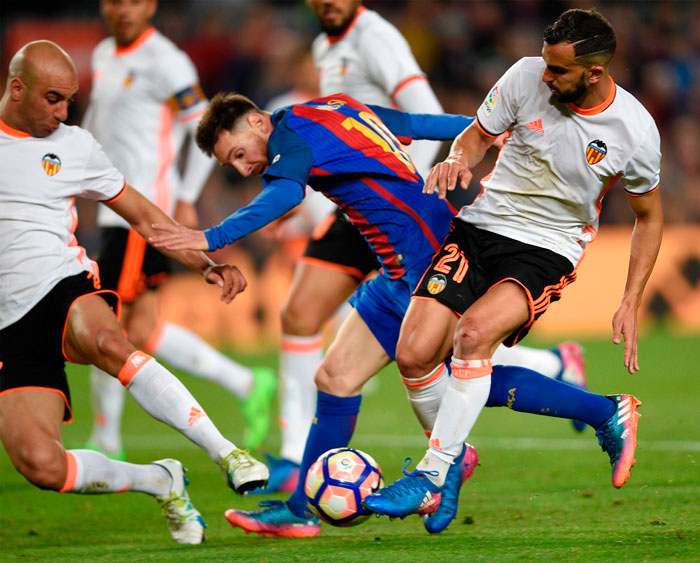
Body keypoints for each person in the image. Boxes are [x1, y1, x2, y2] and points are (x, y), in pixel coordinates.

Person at [150, 91, 637, 538]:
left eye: (237, 154)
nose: (241, 168)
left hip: (426, 255)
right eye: (231, 164)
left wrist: (209, 238)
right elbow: (412, 122)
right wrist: (483, 128)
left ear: (257, 122)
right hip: (396, 265)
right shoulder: (330, 108)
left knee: (458, 375)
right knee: (336, 376)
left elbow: (286, 195)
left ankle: (600, 413)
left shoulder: (289, 137)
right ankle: (302, 510)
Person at [267, 0, 588, 493]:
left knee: (442, 353)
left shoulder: (375, 37)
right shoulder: (323, 45)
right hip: (356, 204)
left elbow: (421, 113)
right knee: (312, 329)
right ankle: (301, 474)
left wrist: (395, 180)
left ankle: (542, 391)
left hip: (395, 203)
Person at [363, 7, 662, 533]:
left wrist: (631, 298)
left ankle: (433, 474)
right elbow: (477, 135)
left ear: (593, 73)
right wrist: (459, 158)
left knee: (472, 337)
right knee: (412, 355)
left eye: (559, 70)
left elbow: (649, 217)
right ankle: (600, 412)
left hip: (547, 246)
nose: (545, 76)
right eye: (546, 64)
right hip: (481, 227)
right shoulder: (525, 74)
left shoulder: (634, 131)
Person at [0, 40, 269, 546]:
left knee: (111, 344)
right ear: (17, 88)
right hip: (7, 324)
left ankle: (225, 450)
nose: (62, 112)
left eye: (69, 101)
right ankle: (158, 479)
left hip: (60, 284)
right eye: (52, 99)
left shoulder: (75, 146)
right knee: (41, 465)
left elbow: (145, 215)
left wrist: (206, 262)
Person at [81, 0, 276, 460]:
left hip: (141, 210)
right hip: (114, 211)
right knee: (141, 328)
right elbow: (96, 122)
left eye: (133, 1)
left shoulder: (167, 60)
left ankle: (106, 439)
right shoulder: (105, 53)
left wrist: (185, 197)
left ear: (149, 5)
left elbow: (200, 126)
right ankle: (246, 381)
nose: (122, 10)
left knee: (106, 324)